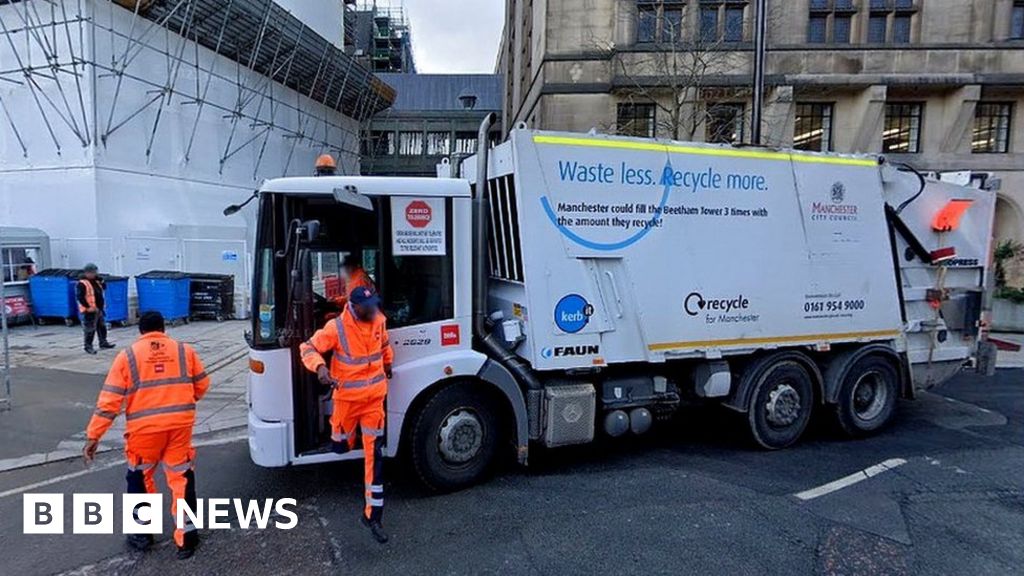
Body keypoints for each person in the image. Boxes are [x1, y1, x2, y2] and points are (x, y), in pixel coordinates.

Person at [83, 311, 211, 559]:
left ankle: (142, 535)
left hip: (144, 433)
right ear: (163, 329)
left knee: (140, 478)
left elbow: (109, 402)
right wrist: (184, 400)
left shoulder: (128, 356)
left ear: (141, 331)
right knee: (181, 479)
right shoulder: (185, 352)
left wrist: (93, 436)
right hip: (178, 427)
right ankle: (186, 539)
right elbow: (202, 385)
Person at [300, 287, 393, 544]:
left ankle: (373, 515)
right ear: (353, 306)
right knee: (340, 445)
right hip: (347, 402)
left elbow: (384, 345)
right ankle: (345, 443)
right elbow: (307, 348)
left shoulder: (379, 320)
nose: (372, 309)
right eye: (367, 306)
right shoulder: (336, 328)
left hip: (374, 400)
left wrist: (388, 363)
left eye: (374, 304)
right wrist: (319, 367)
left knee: (375, 457)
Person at [78, 263, 115, 355]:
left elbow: (104, 288)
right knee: (90, 329)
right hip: (89, 310)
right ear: (87, 273)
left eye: (95, 272)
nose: (95, 274)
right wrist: (88, 307)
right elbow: (80, 297)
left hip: (98, 309)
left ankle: (103, 342)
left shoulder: (97, 281)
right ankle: (88, 346)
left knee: (102, 327)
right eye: (93, 272)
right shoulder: (82, 283)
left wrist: (102, 281)